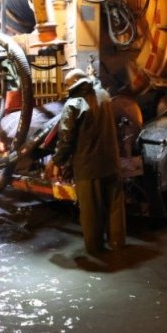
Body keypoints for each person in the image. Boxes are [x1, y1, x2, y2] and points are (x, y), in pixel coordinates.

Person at [51, 68, 126, 256]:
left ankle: (95, 250)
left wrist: (57, 161)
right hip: (111, 163)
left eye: (67, 85)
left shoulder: (73, 104)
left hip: (88, 167)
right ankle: (117, 244)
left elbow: (66, 138)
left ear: (72, 84)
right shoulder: (105, 96)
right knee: (115, 208)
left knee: (91, 212)